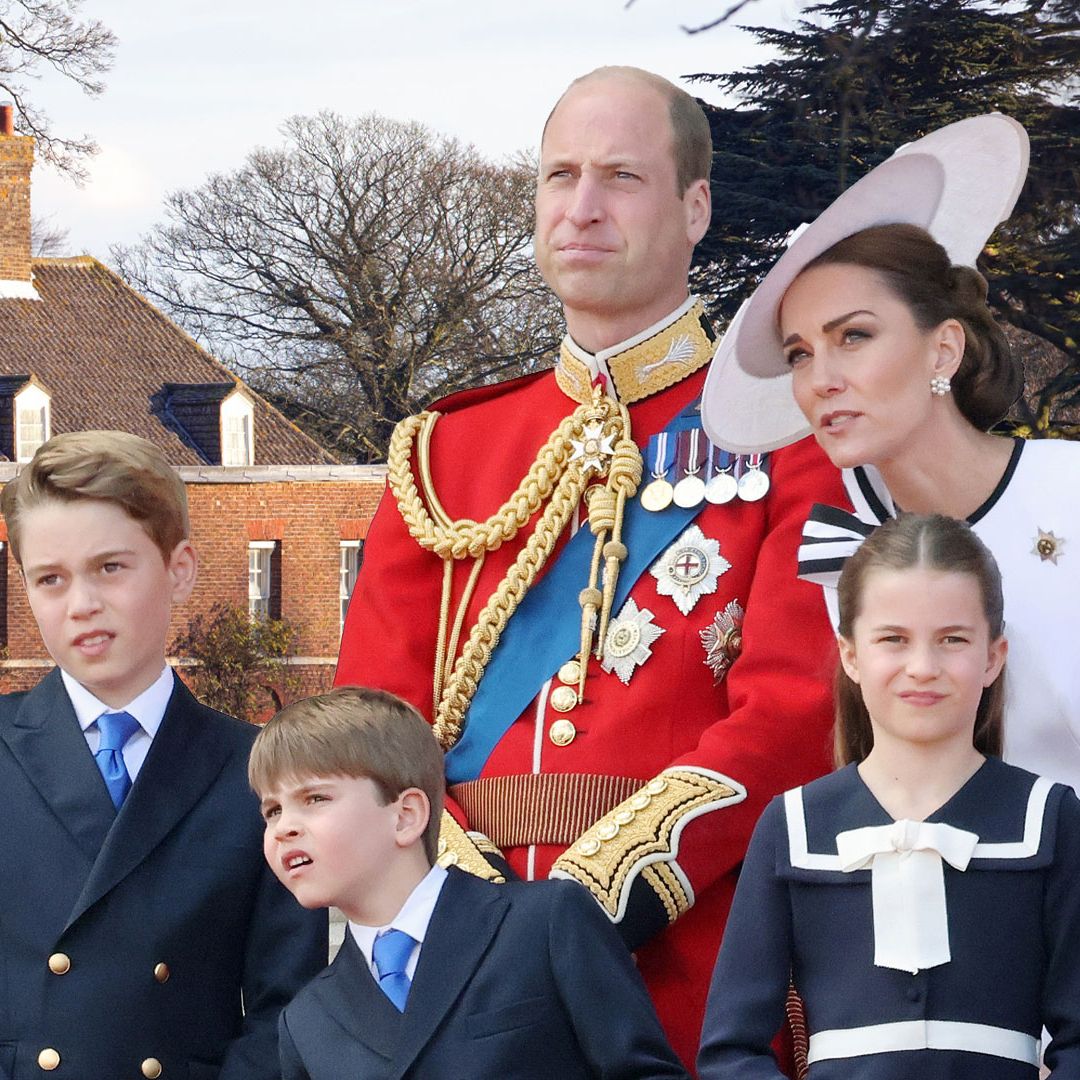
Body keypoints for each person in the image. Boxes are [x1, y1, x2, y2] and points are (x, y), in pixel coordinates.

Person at [336, 65, 846, 1069]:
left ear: (695, 207)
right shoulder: (444, 454)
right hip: (457, 968)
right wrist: (466, 911)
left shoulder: (793, 435)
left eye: (621, 176)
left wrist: (589, 904)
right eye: (559, 175)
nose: (582, 207)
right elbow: (363, 727)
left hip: (693, 960)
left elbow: (799, 713)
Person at [702, 114, 1080, 792]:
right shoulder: (837, 546)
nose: (821, 379)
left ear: (944, 348)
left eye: (854, 336)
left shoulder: (1069, 490)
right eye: (800, 354)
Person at [698, 512, 1080, 1078]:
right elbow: (732, 1050)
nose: (922, 668)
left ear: (993, 657)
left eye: (952, 640)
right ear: (851, 655)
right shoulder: (794, 824)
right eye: (893, 640)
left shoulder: (1050, 817)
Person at [0, 431, 327, 1080]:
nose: (82, 604)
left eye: (110, 568)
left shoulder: (260, 772)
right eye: (51, 579)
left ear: (180, 570)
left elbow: (288, 1014)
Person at [250, 686, 690, 1080]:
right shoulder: (306, 1022)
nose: (285, 827)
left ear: (405, 816)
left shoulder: (546, 923)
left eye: (315, 799)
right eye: (272, 811)